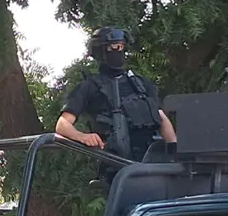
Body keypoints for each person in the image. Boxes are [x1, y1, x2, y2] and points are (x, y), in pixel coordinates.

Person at [56, 26, 177, 165]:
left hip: (153, 164)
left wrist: (175, 150)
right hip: (115, 166)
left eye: (121, 46)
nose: (118, 51)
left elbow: (161, 118)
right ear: (100, 51)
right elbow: (62, 125)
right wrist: (82, 136)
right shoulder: (89, 87)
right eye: (113, 47)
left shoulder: (141, 84)